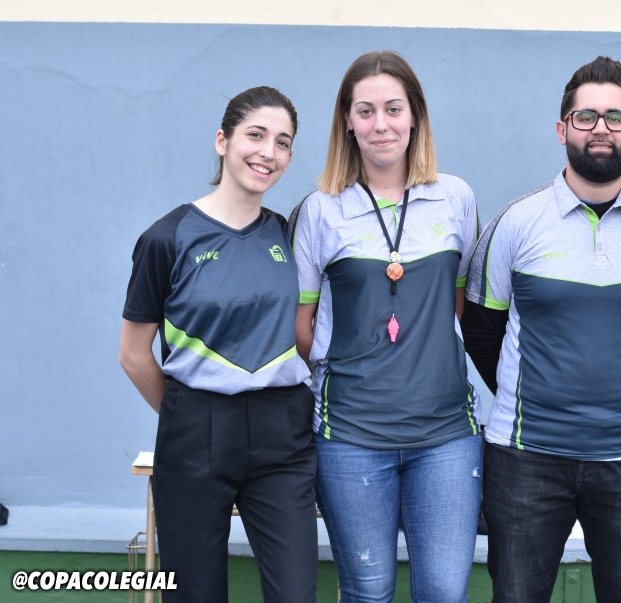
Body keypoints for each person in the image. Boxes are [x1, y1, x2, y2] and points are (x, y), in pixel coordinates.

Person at [462, 56, 621, 603]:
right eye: (585, 116)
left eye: (615, 117)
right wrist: (539, 393)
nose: (600, 129)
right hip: (525, 459)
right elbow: (480, 331)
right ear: (562, 128)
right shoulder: (515, 223)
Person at [290, 51, 481, 603]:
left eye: (394, 109)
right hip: (350, 437)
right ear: (347, 121)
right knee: (368, 592)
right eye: (366, 110)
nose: (381, 124)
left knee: (444, 593)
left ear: (415, 116)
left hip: (446, 435)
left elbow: (457, 304)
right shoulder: (319, 210)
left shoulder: (455, 198)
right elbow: (302, 325)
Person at [119, 87, 317, 603]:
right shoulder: (167, 238)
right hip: (195, 431)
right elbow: (133, 355)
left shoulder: (287, 234)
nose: (268, 152)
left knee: (296, 593)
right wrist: (190, 416)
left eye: (282, 142)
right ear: (223, 141)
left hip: (283, 434)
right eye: (256, 135)